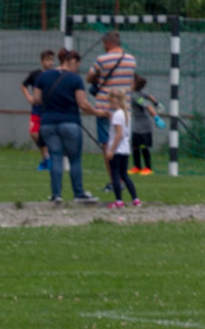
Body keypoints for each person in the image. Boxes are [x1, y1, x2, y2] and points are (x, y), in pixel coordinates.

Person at [34, 49, 105, 205]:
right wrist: (96, 112)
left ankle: (56, 195)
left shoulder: (43, 76)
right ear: (72, 62)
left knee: (55, 157)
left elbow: (37, 99)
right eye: (77, 65)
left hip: (47, 123)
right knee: (74, 159)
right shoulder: (75, 79)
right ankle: (78, 193)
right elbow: (82, 103)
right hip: (70, 122)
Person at [90, 31, 138, 188]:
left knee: (108, 145)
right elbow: (131, 82)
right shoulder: (131, 60)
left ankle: (114, 181)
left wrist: (99, 78)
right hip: (125, 110)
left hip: (106, 108)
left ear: (108, 42)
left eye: (104, 43)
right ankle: (123, 177)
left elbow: (90, 77)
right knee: (122, 143)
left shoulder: (102, 59)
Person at [19, 50, 56, 170]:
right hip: (36, 109)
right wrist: (29, 98)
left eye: (51, 60)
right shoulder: (35, 74)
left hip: (48, 110)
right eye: (47, 60)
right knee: (33, 133)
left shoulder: (55, 74)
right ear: (42, 61)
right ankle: (45, 157)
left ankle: (48, 159)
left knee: (46, 134)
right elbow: (23, 85)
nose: (50, 62)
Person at [103, 87, 139, 208]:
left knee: (115, 175)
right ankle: (135, 199)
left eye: (110, 100)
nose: (109, 103)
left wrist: (111, 150)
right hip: (125, 149)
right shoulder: (126, 114)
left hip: (117, 149)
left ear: (115, 100)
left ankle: (119, 201)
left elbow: (119, 133)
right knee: (124, 174)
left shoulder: (117, 115)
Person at [129, 74, 159, 175]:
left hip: (144, 126)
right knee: (134, 146)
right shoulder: (138, 93)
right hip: (137, 125)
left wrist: (156, 118)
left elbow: (147, 106)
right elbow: (149, 96)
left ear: (135, 84)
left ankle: (148, 168)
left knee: (143, 146)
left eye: (131, 82)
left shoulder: (136, 96)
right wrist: (157, 103)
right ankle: (137, 166)